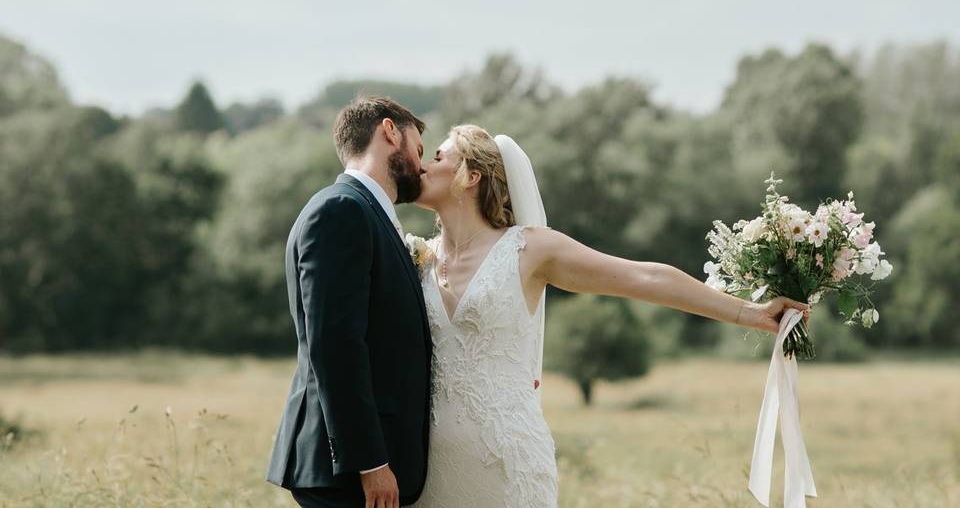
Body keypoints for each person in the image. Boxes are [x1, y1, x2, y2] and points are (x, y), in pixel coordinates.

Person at [410, 124, 811, 508]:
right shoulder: (417, 259)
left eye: (439, 156)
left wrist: (750, 312)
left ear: (471, 175)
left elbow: (646, 277)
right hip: (430, 471)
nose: (423, 164)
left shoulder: (529, 250)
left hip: (505, 461)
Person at [266, 95, 432, 508]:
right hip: (347, 473)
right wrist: (369, 462)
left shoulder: (364, 213)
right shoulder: (342, 211)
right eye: (419, 149)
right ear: (390, 131)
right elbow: (335, 344)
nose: (422, 164)